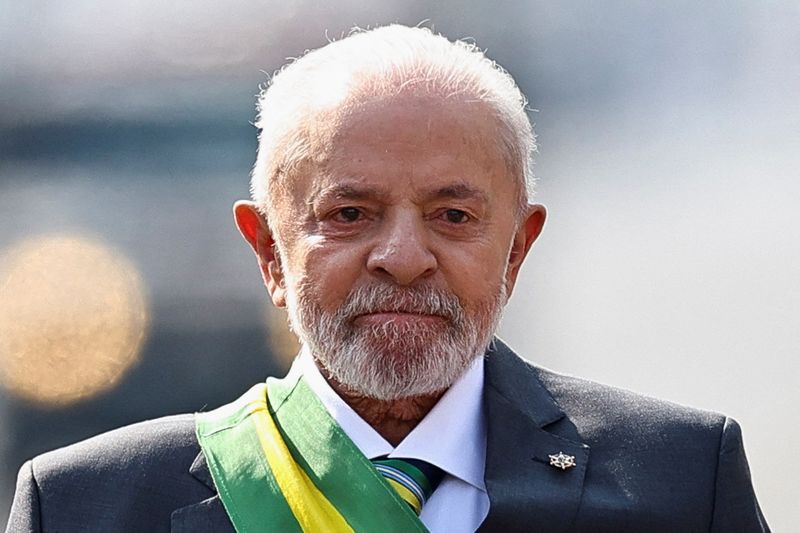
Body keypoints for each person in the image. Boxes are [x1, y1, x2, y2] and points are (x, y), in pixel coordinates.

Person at [5, 25, 769, 533]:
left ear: (516, 250)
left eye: (454, 216)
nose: (403, 256)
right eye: (348, 213)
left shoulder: (681, 480)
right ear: (268, 248)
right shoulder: (84, 505)